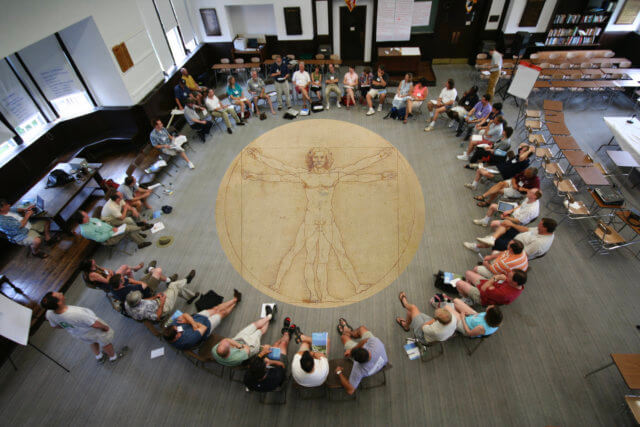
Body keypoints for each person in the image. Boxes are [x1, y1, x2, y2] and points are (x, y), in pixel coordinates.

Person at [42, 291, 126, 363]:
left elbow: (55, 326)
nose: (61, 293)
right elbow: (94, 324)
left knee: (91, 342)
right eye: (59, 294)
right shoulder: (75, 313)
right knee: (105, 342)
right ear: (59, 303)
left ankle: (99, 356)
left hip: (79, 333)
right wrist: (105, 327)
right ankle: (113, 357)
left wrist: (69, 327)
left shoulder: (49, 314)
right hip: (93, 330)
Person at [163, 290, 241, 350]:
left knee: (215, 309)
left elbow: (185, 314)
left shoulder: (171, 328)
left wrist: (192, 323)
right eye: (177, 331)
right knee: (222, 313)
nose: (177, 328)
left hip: (197, 318)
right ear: (176, 337)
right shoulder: (187, 340)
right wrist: (189, 321)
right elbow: (204, 328)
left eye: (176, 327)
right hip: (207, 326)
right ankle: (234, 304)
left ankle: (235, 299)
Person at [473, 189, 542, 248]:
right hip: (514, 210)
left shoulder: (532, 210)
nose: (528, 191)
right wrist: (510, 210)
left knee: (494, 223)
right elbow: (521, 205)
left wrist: (507, 217)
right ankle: (485, 221)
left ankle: (493, 237)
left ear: (534, 196)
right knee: (493, 206)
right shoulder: (529, 197)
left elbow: (518, 221)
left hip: (517, 220)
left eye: (530, 192)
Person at [335, 320, 388, 395]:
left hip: (369, 364)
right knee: (362, 328)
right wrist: (353, 349)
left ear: (355, 360)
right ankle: (351, 332)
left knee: (343, 337)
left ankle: (346, 332)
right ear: (368, 351)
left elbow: (350, 391)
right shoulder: (376, 343)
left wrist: (339, 372)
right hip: (381, 362)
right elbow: (365, 340)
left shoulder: (358, 369)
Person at [124, 271, 199, 321]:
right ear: (137, 302)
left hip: (156, 302)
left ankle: (191, 297)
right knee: (173, 285)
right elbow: (157, 317)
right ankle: (186, 280)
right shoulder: (143, 311)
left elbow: (144, 300)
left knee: (175, 289)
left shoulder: (127, 303)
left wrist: (155, 297)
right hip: (163, 308)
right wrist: (162, 302)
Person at [244, 320, 296, 392]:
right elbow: (282, 365)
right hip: (277, 366)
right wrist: (270, 362)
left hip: (268, 371)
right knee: (283, 344)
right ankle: (287, 333)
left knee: (276, 345)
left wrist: (262, 353)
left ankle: (286, 332)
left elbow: (256, 363)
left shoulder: (248, 378)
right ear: (265, 369)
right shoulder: (275, 377)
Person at [466, 217, 556, 258]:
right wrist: (512, 224)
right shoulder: (545, 230)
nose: (538, 225)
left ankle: (477, 246)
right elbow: (526, 229)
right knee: (506, 224)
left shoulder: (539, 243)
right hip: (519, 237)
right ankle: (491, 238)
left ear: (545, 228)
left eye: (540, 225)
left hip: (515, 248)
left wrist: (507, 248)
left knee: (498, 240)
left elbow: (522, 254)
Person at [464, 144, 535, 193]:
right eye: (521, 149)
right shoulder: (518, 155)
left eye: (523, 150)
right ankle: (474, 185)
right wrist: (528, 147)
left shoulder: (525, 162)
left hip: (503, 174)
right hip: (499, 167)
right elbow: (522, 145)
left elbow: (522, 158)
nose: (520, 150)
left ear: (527, 154)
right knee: (480, 170)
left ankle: (482, 180)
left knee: (481, 170)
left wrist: (529, 150)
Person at [75, 210, 151, 249]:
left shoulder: (90, 219)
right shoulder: (85, 231)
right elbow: (99, 239)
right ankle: (141, 228)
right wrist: (110, 233)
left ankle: (140, 242)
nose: (88, 216)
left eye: (86, 214)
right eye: (85, 216)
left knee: (126, 226)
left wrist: (112, 228)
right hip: (108, 239)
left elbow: (102, 224)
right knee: (127, 228)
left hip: (112, 231)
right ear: (82, 220)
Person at [455, 269, 527, 307]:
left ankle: (468, 299)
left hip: (483, 297)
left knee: (459, 283)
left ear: (515, 283)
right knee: (468, 273)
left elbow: (484, 288)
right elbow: (489, 286)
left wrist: (495, 278)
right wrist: (493, 283)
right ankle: (468, 291)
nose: (506, 276)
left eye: (509, 276)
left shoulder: (504, 294)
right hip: (490, 286)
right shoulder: (518, 285)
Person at [470, 166, 540, 205]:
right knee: (501, 184)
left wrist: (525, 190)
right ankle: (484, 196)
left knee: (498, 190)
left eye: (527, 175)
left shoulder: (536, 181)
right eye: (525, 173)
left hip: (519, 192)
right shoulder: (525, 172)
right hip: (514, 184)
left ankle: (488, 202)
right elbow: (514, 178)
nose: (525, 174)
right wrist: (514, 183)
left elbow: (537, 192)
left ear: (532, 175)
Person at [79, 258, 144, 291]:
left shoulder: (94, 266)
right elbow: (107, 281)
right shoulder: (92, 274)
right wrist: (110, 275)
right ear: (89, 265)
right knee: (124, 267)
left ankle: (133, 285)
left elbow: (103, 269)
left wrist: (109, 271)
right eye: (91, 261)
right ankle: (136, 269)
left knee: (128, 271)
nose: (93, 259)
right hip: (108, 284)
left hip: (108, 277)